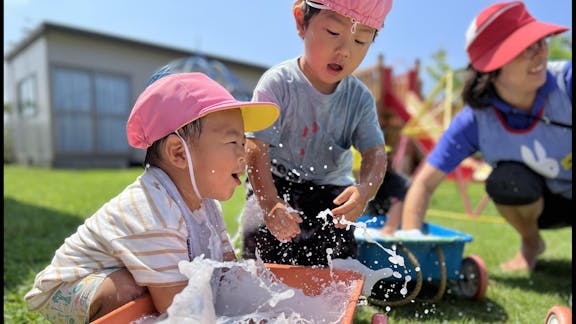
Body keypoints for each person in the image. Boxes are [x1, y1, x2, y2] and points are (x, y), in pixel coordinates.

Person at [24, 72, 279, 323]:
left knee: (184, 287)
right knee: (129, 290)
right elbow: (180, 311)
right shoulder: (153, 210)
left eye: (243, 142)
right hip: (69, 286)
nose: (243, 155)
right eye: (233, 141)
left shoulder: (207, 204)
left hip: (131, 275)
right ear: (178, 153)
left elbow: (228, 274)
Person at [399, 1, 571, 272]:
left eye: (541, 41)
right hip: (547, 207)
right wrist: (410, 247)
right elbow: (423, 184)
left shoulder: (567, 81)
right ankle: (530, 244)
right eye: (525, 47)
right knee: (505, 181)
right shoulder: (475, 120)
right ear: (493, 65)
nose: (540, 52)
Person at [240, 0, 392, 267]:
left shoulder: (359, 99)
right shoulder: (278, 84)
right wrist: (270, 204)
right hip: (276, 182)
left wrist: (364, 190)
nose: (345, 51)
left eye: (361, 42)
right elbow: (255, 148)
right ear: (301, 22)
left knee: (339, 253)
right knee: (259, 235)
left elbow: (375, 152)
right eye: (333, 32)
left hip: (330, 190)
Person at [352, 145, 410, 235]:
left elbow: (389, 229)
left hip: (397, 227)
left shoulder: (398, 184)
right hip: (371, 223)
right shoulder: (354, 185)